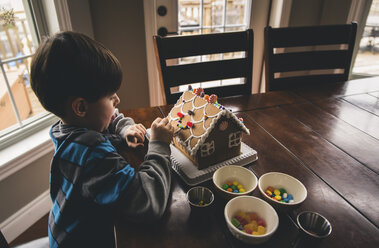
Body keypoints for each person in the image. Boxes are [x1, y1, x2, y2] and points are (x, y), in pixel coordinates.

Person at [30, 31, 174, 248]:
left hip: (60, 232)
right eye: (110, 96)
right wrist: (159, 145)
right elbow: (148, 202)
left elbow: (111, 119)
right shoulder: (92, 151)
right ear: (80, 107)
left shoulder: (68, 127)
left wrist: (125, 130)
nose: (118, 99)